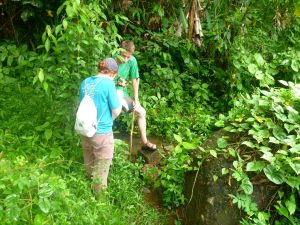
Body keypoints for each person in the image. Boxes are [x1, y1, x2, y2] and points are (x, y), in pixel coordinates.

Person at [79, 58, 121, 195]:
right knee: (101, 169)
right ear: (112, 73)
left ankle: (86, 193)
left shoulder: (85, 82)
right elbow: (116, 110)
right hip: (101, 132)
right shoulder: (108, 83)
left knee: (89, 161)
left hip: (84, 129)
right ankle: (100, 202)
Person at [115, 40, 157, 151]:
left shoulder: (132, 61)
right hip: (110, 92)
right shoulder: (112, 58)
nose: (126, 59)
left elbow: (135, 79)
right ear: (119, 51)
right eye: (124, 56)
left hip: (122, 93)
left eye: (128, 57)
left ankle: (145, 142)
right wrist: (116, 83)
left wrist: (136, 98)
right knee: (113, 113)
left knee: (141, 112)